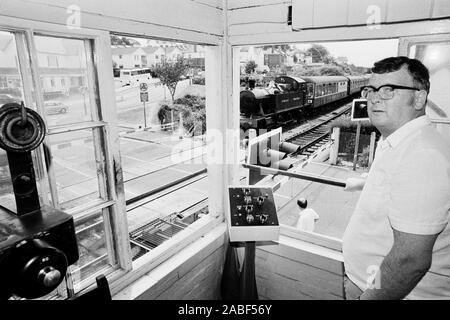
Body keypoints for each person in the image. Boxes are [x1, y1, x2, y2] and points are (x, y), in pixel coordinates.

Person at [342, 56, 450, 299]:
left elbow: (410, 260)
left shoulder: (423, 156)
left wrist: (370, 297)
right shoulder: (397, 140)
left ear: (419, 97)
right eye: (371, 90)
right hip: (365, 281)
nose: (375, 98)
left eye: (389, 90)